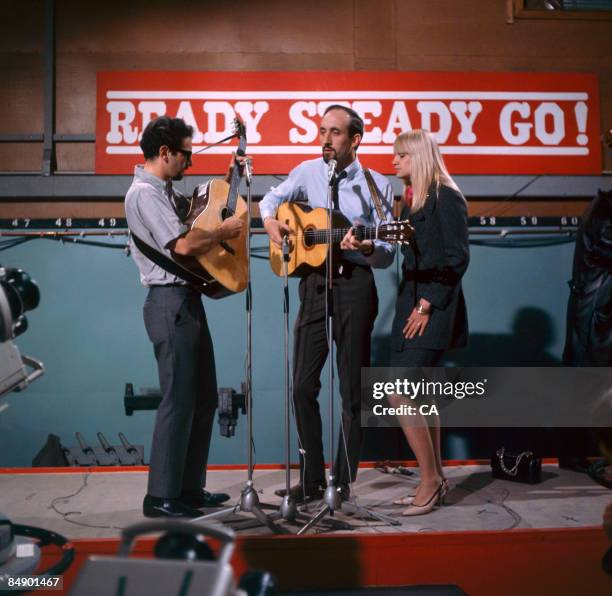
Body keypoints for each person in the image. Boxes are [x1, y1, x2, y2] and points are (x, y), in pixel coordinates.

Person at [259, 105, 395, 502]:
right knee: (301, 385)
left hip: (355, 284)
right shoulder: (306, 172)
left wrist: (368, 246)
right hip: (315, 284)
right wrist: (270, 224)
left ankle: (343, 482)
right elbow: (271, 201)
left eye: (334, 133)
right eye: (321, 131)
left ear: (355, 140)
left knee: (352, 392)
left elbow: (388, 249)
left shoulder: (376, 184)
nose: (325, 139)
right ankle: (313, 478)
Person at [125, 116, 245, 518]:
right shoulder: (144, 194)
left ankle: (189, 489)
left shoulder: (166, 191)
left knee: (204, 399)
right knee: (178, 400)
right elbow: (185, 242)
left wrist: (234, 167)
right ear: (164, 153)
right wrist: (224, 231)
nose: (190, 164)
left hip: (185, 301)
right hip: (167, 302)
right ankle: (160, 497)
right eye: (186, 155)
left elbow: (201, 214)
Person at [389, 129, 469, 516]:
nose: (394, 162)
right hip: (413, 304)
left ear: (418, 157)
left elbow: (457, 258)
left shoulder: (446, 197)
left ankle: (429, 480)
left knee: (398, 389)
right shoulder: (413, 202)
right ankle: (434, 478)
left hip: (432, 308)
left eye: (401, 156)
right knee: (422, 394)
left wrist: (425, 305)